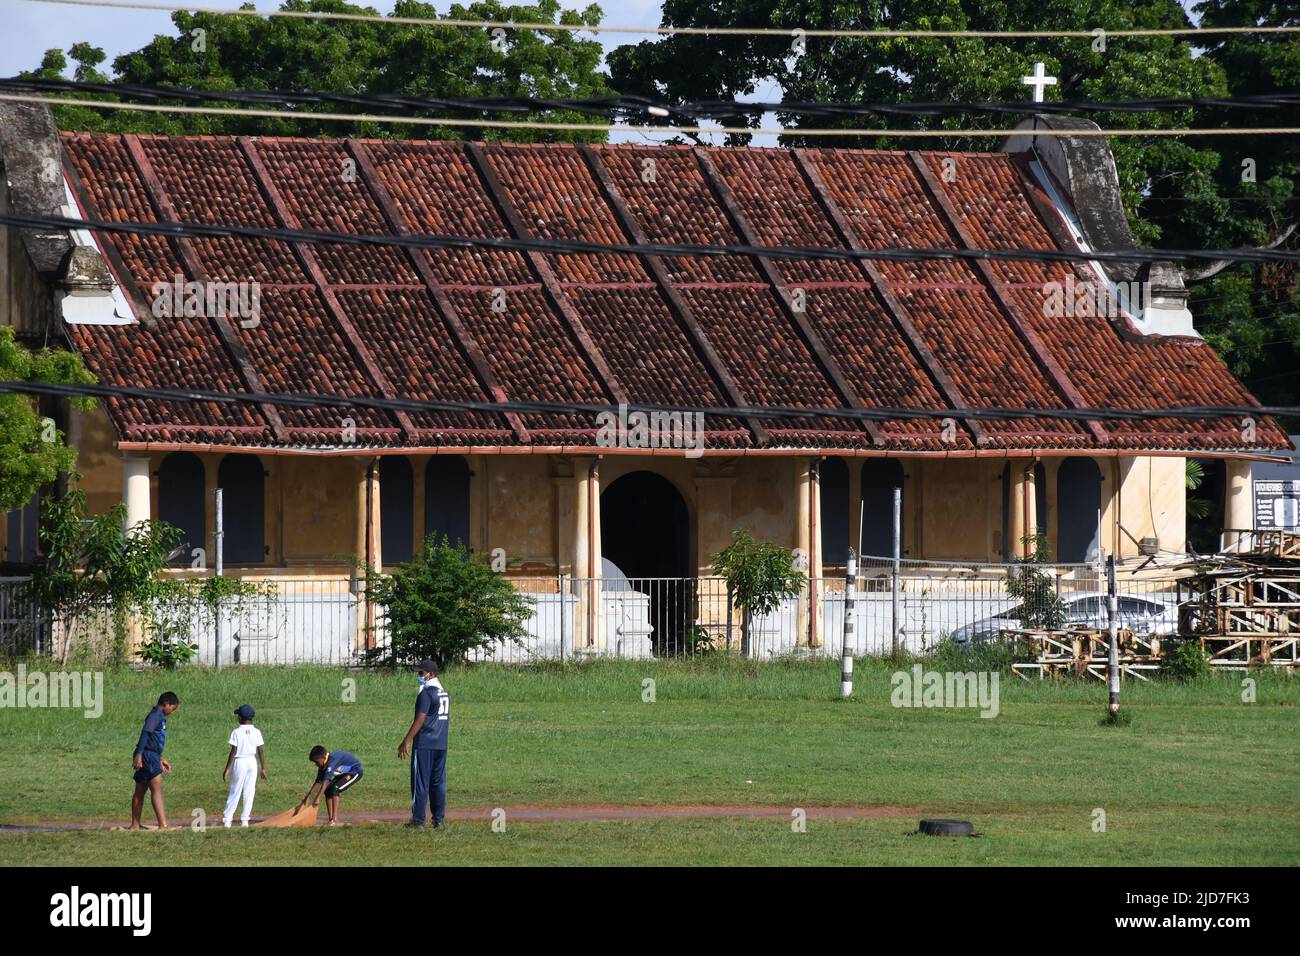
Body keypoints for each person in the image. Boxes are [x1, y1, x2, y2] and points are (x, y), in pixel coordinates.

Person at [398, 659, 450, 829]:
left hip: (425, 743)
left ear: (431, 674)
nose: (419, 676)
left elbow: (420, 719)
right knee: (438, 783)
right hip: (441, 744)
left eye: (421, 673)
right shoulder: (444, 693)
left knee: (420, 782)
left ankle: (418, 821)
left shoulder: (426, 693)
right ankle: (439, 820)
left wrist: (406, 740)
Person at [130, 691, 179, 830]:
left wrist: (160, 758)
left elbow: (152, 740)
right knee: (157, 788)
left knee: (140, 789)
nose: (172, 711)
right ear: (166, 704)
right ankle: (163, 825)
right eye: (172, 708)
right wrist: (139, 755)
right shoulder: (155, 716)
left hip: (150, 755)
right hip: (147, 756)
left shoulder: (158, 716)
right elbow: (145, 733)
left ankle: (135, 825)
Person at [222, 704, 267, 828]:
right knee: (249, 791)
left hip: (240, 761)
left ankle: (227, 820)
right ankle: (245, 820)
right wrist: (263, 768)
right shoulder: (256, 731)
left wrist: (227, 768)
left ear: (240, 718)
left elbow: (233, 751)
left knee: (235, 790)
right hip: (252, 762)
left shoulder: (236, 732)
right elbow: (260, 750)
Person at [299, 746, 362, 826]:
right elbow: (319, 781)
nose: (316, 764)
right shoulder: (323, 765)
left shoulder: (333, 760)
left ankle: (335, 820)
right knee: (328, 790)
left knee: (335, 789)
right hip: (342, 774)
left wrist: (318, 798)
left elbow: (326, 780)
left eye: (317, 762)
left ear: (323, 757)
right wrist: (308, 797)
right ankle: (331, 820)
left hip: (355, 772)